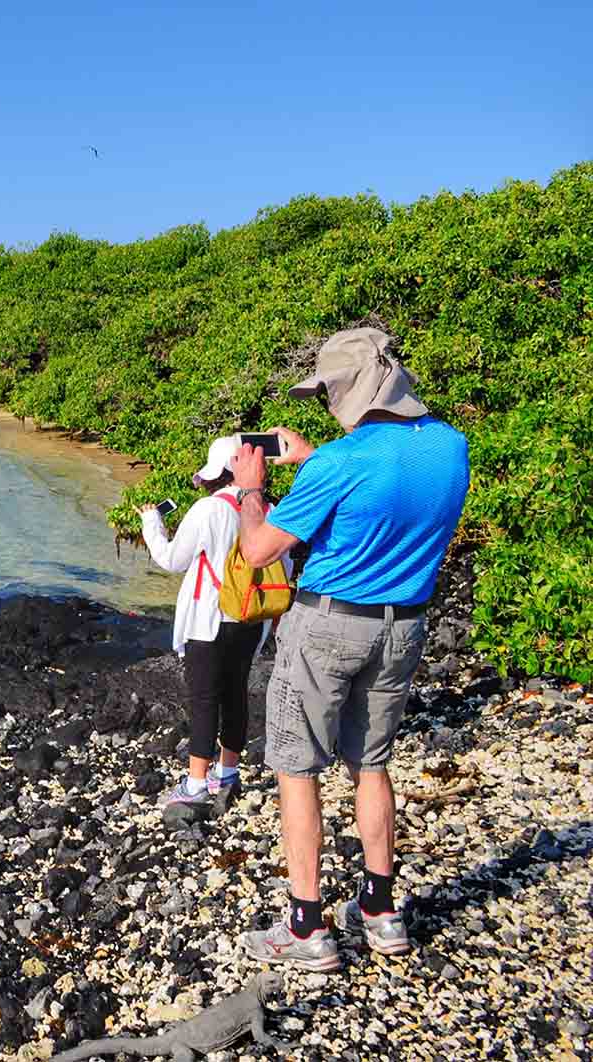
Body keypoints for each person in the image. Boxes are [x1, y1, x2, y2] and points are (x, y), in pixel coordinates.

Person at [229, 327, 470, 971]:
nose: (326, 401)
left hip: (328, 624)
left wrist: (251, 488)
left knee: (297, 765)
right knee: (372, 762)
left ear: (351, 390)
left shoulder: (341, 460)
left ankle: (305, 926)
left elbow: (258, 551)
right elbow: (382, 495)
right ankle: (381, 911)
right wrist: (314, 460)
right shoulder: (452, 448)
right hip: (404, 626)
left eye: (330, 389)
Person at [139, 434, 289, 822]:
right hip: (251, 619)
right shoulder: (271, 510)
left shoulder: (208, 509)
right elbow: (283, 570)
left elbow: (172, 559)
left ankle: (195, 785)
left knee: (204, 698)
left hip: (209, 620)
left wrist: (151, 522)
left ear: (221, 471)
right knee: (236, 692)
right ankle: (229, 772)